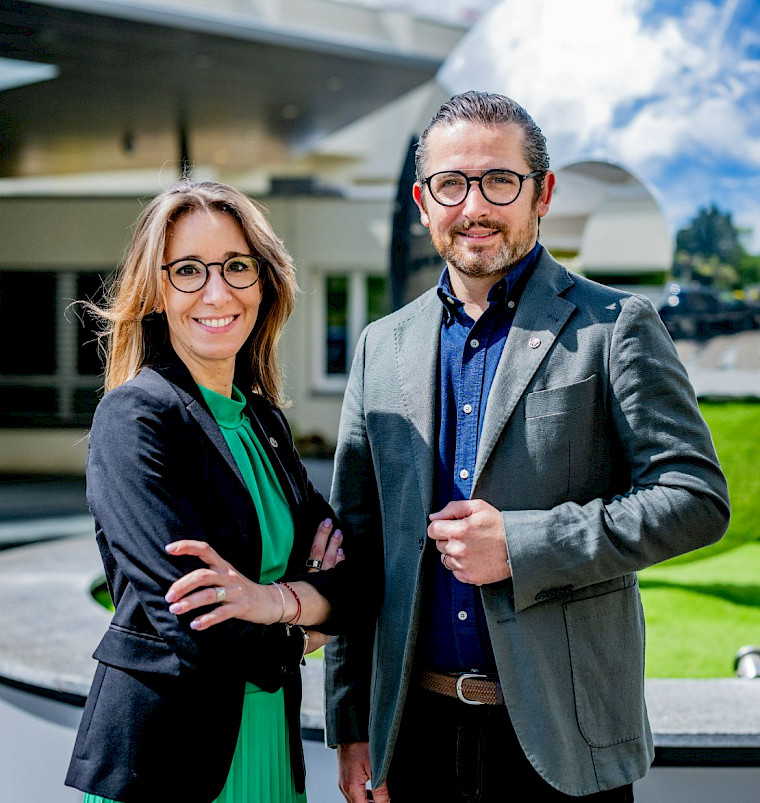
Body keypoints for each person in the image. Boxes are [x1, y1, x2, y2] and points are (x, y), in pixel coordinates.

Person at [324, 91, 730, 802]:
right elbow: (355, 548)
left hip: (564, 744)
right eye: (452, 184)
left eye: (499, 181)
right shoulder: (380, 346)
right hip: (414, 739)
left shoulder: (616, 326)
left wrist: (522, 544)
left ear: (542, 193)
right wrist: (353, 724)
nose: (474, 205)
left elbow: (695, 500)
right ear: (423, 202)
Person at [65, 179, 363, 803]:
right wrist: (307, 624)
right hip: (169, 762)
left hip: (269, 742)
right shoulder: (135, 418)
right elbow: (195, 623)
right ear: (156, 292)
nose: (218, 291)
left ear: (264, 281)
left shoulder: (263, 422)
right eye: (188, 271)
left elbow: (356, 578)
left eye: (236, 266)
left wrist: (271, 601)